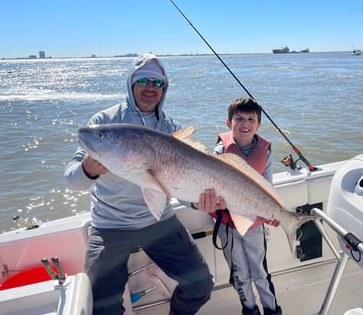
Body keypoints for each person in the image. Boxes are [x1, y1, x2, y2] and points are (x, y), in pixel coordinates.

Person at [64, 53, 220, 315]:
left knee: (201, 285)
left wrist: (197, 201)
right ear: (131, 83)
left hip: (159, 221)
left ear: (164, 89)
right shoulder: (104, 124)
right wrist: (87, 169)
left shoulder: (173, 130)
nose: (151, 88)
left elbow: (179, 186)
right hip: (110, 225)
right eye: (144, 81)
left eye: (158, 84)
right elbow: (71, 180)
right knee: (101, 305)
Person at [207, 97, 283, 315]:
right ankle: (249, 309)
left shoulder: (265, 151)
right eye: (239, 118)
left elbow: (267, 188)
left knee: (260, 271)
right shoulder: (220, 151)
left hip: (254, 224)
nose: (245, 124)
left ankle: (272, 310)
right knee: (239, 273)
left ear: (259, 125)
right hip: (227, 225)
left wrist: (272, 212)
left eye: (251, 119)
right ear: (228, 123)